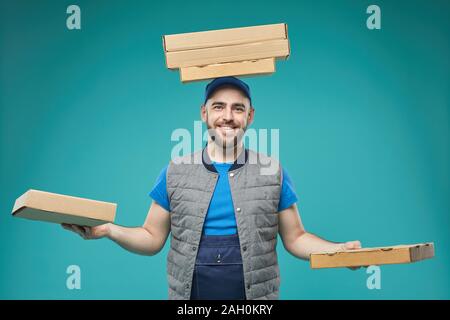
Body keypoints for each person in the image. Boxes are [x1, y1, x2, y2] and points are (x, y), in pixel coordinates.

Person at [62, 76, 361, 300]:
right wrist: (108, 230)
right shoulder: (174, 172)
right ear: (204, 113)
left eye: (237, 108)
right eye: (219, 107)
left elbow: (296, 238)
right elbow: (152, 238)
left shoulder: (274, 171)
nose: (228, 116)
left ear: (250, 116)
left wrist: (336, 251)